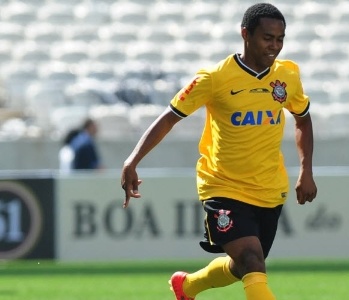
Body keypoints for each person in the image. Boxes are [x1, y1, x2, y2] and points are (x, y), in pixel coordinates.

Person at [120, 3, 317, 300]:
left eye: (280, 39)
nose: (274, 46)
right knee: (253, 261)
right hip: (223, 186)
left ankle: (187, 287)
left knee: (243, 266)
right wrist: (133, 160)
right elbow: (170, 117)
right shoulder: (214, 79)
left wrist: (306, 170)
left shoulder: (287, 77)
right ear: (245, 35)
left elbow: (302, 118)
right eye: (267, 38)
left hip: (269, 188)